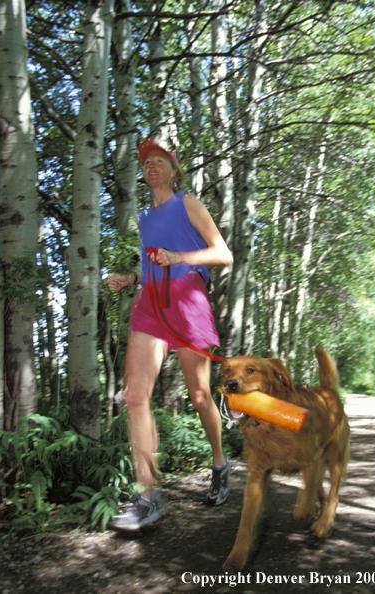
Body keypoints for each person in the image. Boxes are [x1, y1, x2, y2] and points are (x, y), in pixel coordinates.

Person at [108, 138, 233, 531]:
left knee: (199, 395)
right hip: (150, 304)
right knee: (135, 395)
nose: (152, 167)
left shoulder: (188, 203)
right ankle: (147, 496)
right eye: (146, 163)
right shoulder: (145, 219)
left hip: (187, 301)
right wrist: (131, 279)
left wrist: (182, 258)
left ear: (173, 170)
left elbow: (222, 253)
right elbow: (153, 267)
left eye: (159, 161)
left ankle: (219, 463)